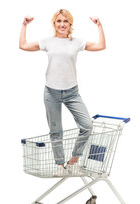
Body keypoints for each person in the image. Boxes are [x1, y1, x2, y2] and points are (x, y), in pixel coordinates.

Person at [19, 9, 106, 175]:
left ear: (70, 24)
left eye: (65, 21)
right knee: (56, 131)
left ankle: (73, 161)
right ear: (54, 23)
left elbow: (101, 46)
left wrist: (99, 26)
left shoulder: (77, 42)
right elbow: (23, 46)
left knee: (87, 125)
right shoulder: (47, 41)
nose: (62, 25)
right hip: (51, 92)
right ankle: (60, 165)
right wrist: (24, 25)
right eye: (59, 21)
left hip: (72, 92)